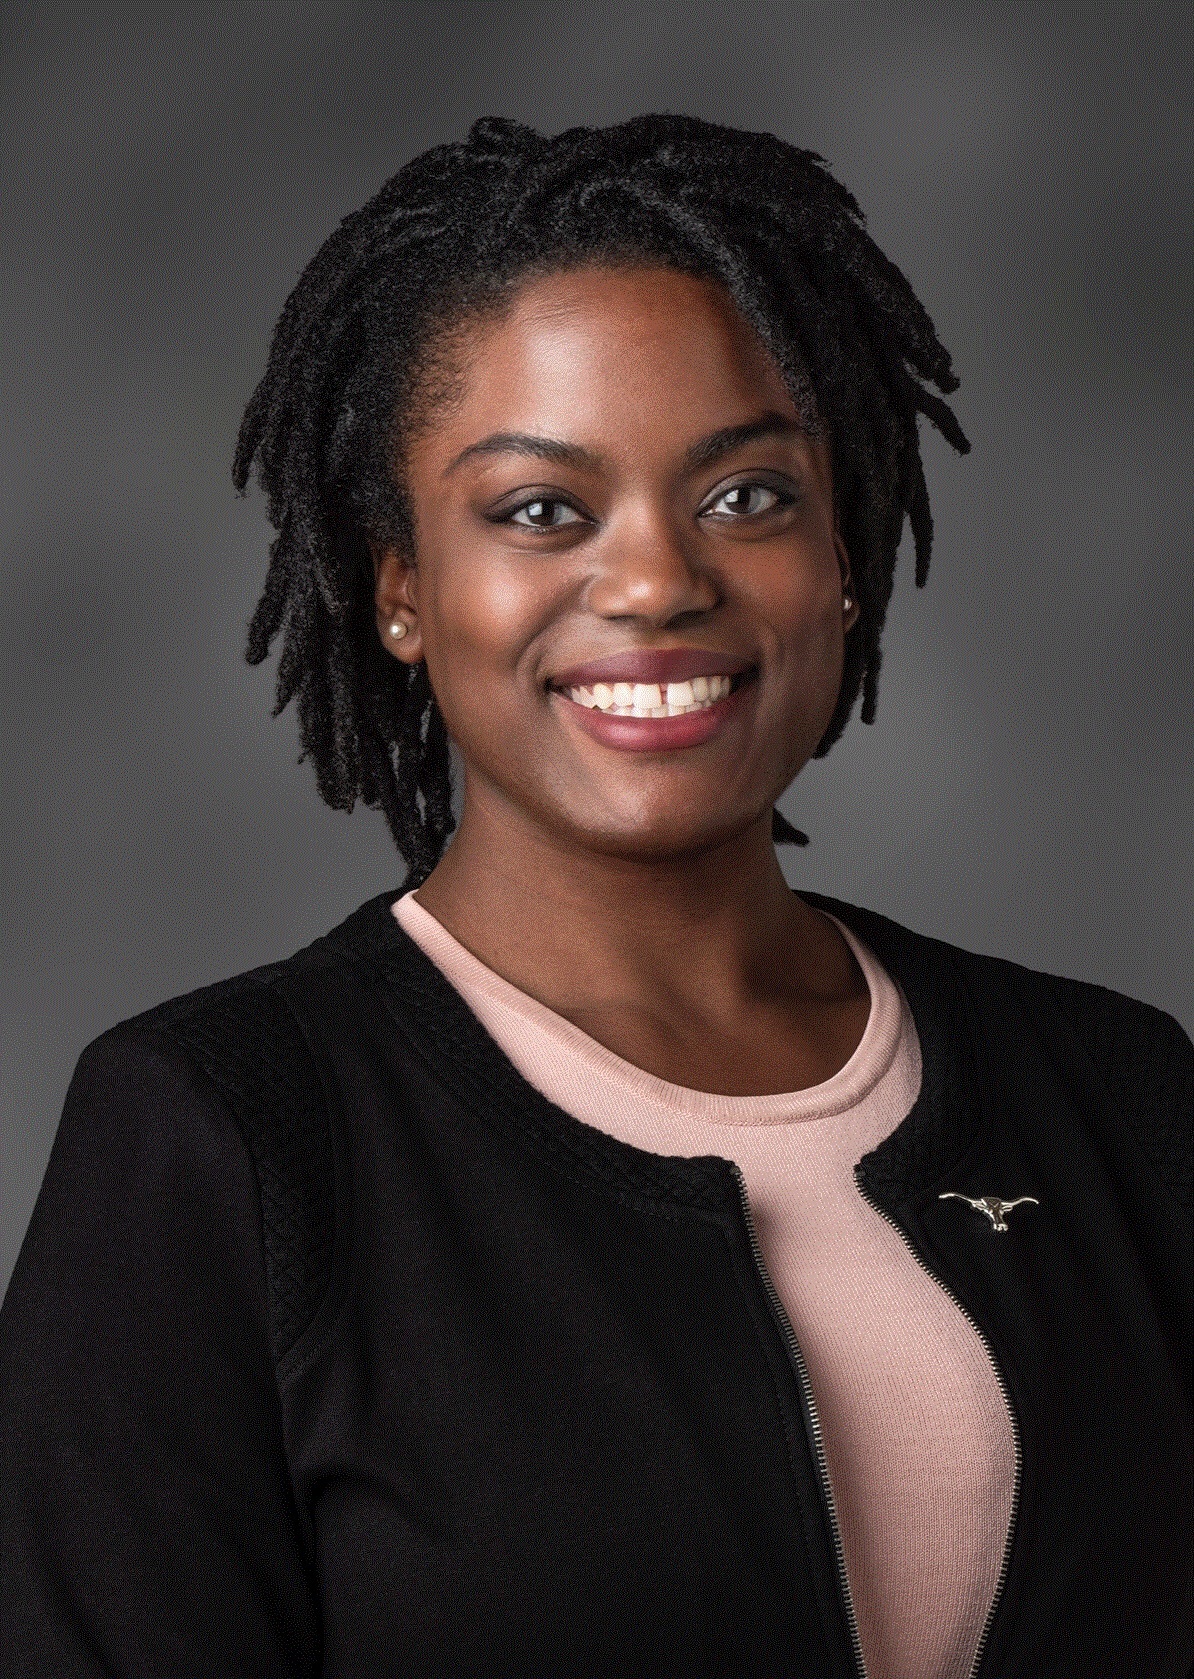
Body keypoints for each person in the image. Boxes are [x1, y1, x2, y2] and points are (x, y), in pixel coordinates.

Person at [0, 114, 1189, 1679]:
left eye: (746, 496)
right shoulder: (221, 1141)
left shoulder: (1114, 1092)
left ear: (841, 555)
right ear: (402, 587)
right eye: (541, 510)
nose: (655, 582)